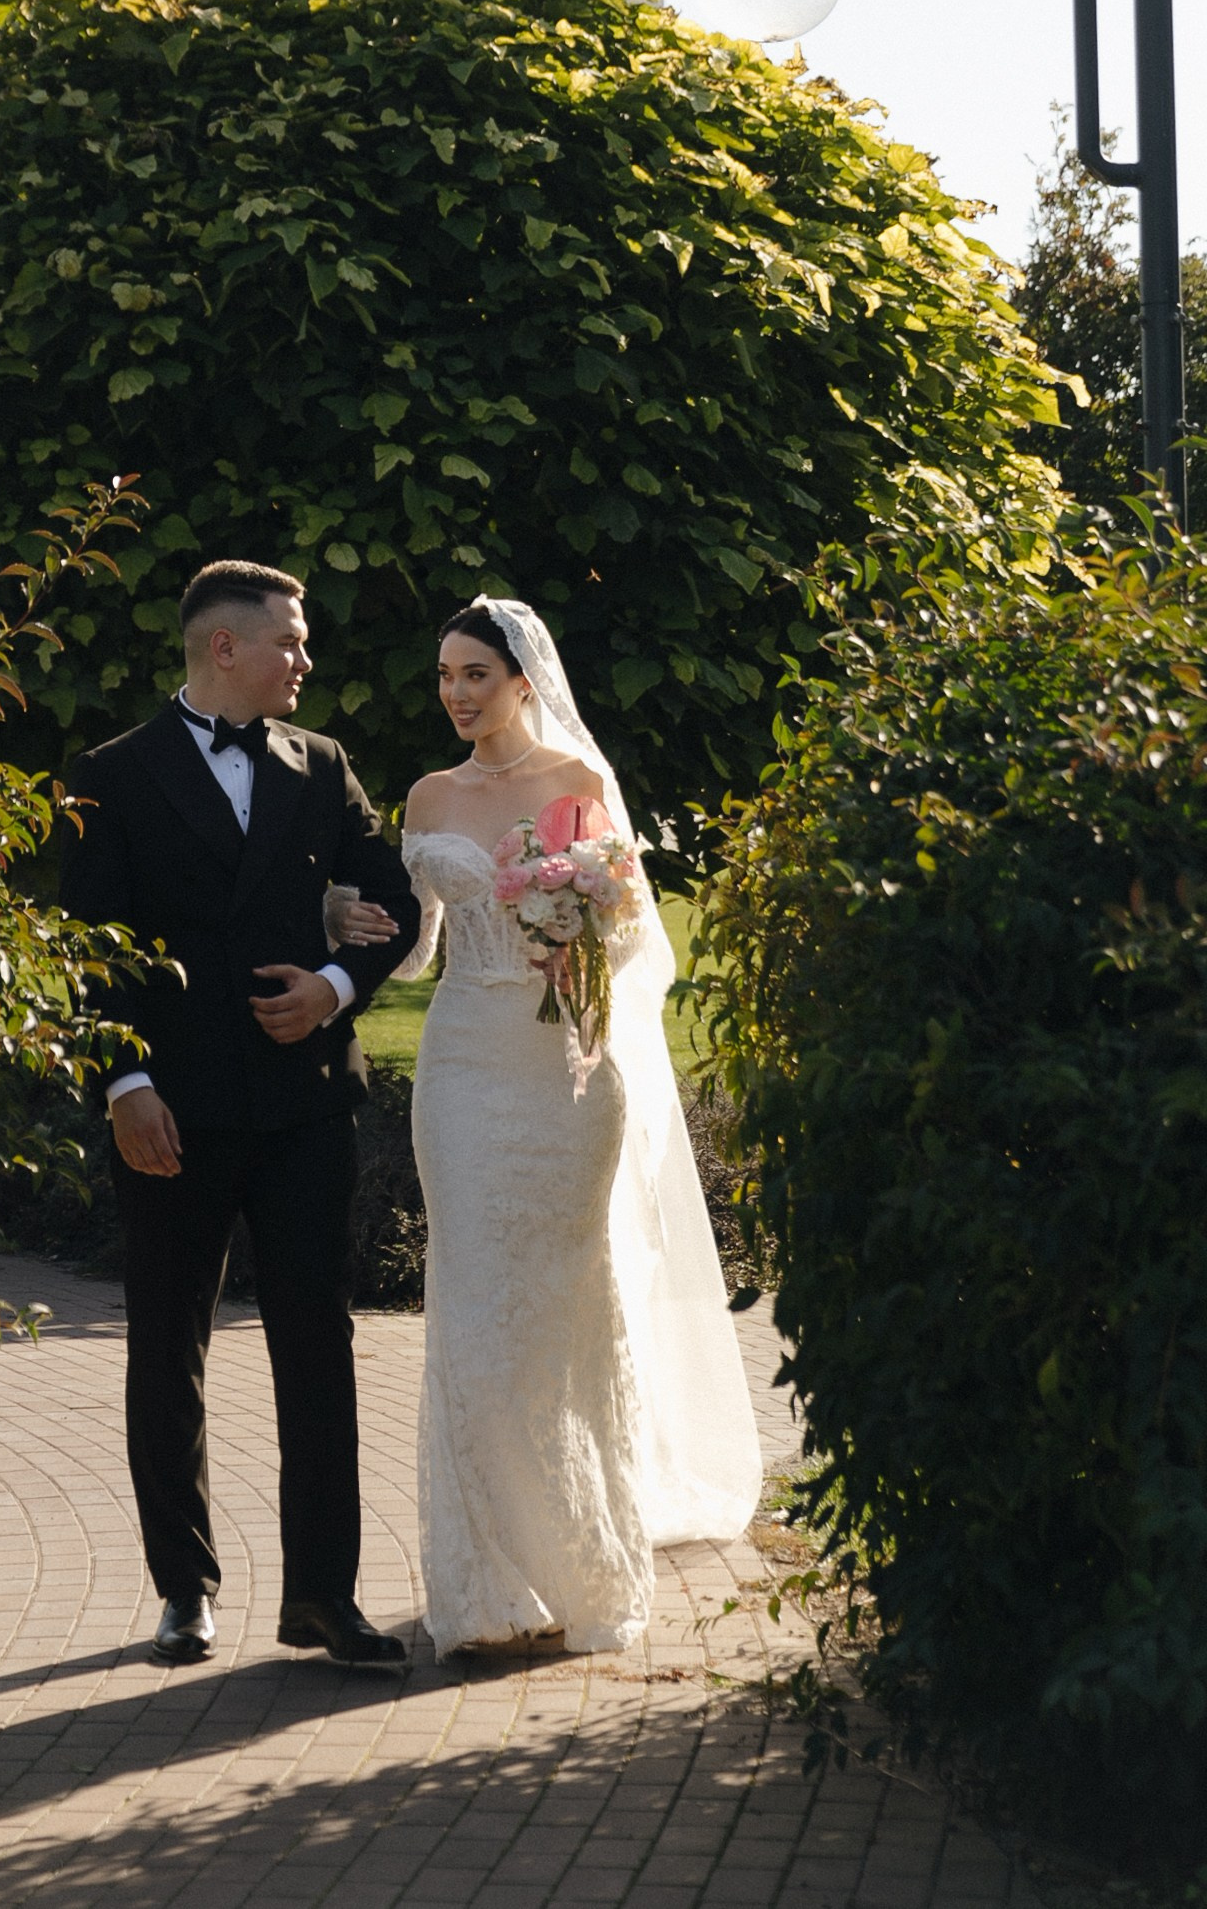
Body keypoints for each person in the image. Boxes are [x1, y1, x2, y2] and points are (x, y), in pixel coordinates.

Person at [59, 560, 422, 1669]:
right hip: (172, 1108)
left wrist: (335, 986)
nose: (305, 661)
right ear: (224, 647)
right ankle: (184, 1590)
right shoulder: (108, 775)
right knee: (167, 1348)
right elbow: (83, 954)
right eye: (289, 643)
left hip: (305, 1101)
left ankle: (323, 1594)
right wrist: (123, 1088)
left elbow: (396, 900)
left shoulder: (324, 766)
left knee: (318, 1344)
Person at [394, 596, 767, 1656]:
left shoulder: (575, 786)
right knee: (470, 1301)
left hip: (563, 1074)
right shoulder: (426, 793)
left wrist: (577, 907)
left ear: (522, 677)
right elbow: (417, 950)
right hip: (462, 1061)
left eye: (473, 672)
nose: (455, 693)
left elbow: (633, 929)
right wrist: (350, 930)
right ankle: (483, 1584)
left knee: (560, 1312)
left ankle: (575, 1560)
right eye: (444, 674)